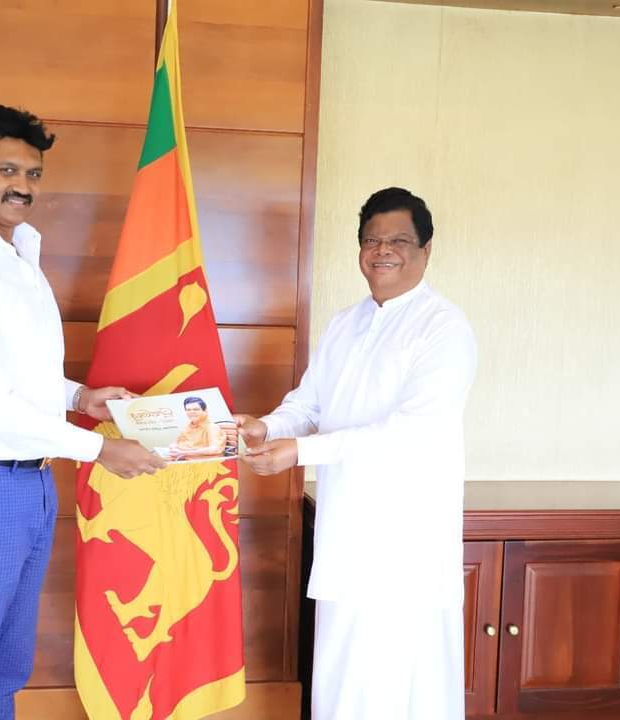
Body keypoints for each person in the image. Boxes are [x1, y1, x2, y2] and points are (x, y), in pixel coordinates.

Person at [0, 104, 165, 720]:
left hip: (30, 479)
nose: (22, 185)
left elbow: (18, 374)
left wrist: (79, 398)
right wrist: (101, 450)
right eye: (6, 170)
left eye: (33, 173)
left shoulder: (17, 250)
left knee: (7, 662)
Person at [237, 187, 477, 719]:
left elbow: (409, 433)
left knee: (401, 683)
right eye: (371, 240)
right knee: (343, 678)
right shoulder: (346, 323)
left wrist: (299, 451)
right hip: (346, 533)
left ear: (426, 249)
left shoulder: (444, 328)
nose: (382, 251)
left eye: (398, 241)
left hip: (405, 541)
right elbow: (309, 404)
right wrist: (265, 427)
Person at [168, 396, 226, 460]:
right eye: (188, 410)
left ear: (205, 411)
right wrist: (173, 446)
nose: (192, 412)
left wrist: (184, 453)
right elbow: (178, 442)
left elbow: (214, 449)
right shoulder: (188, 427)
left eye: (196, 409)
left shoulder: (212, 427)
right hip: (181, 457)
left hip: (200, 461)